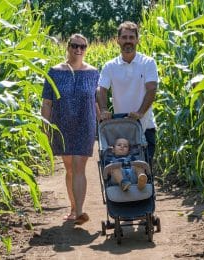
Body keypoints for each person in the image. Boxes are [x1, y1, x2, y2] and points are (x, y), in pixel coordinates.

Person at [41, 34, 99, 225]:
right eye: (75, 46)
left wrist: (103, 121)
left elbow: (96, 101)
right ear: (68, 47)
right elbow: (47, 103)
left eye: (82, 46)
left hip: (85, 123)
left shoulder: (93, 72)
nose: (78, 50)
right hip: (62, 124)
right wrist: (45, 125)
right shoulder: (55, 72)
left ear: (86, 49)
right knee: (69, 168)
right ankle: (73, 209)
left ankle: (80, 211)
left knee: (79, 166)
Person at [97, 21, 159, 167]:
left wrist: (140, 112)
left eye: (131, 37)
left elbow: (151, 89)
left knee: (145, 170)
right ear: (118, 40)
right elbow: (101, 89)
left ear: (137, 39)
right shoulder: (110, 66)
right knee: (122, 169)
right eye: (124, 37)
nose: (128, 41)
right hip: (122, 128)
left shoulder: (148, 62)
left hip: (145, 126)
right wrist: (104, 109)